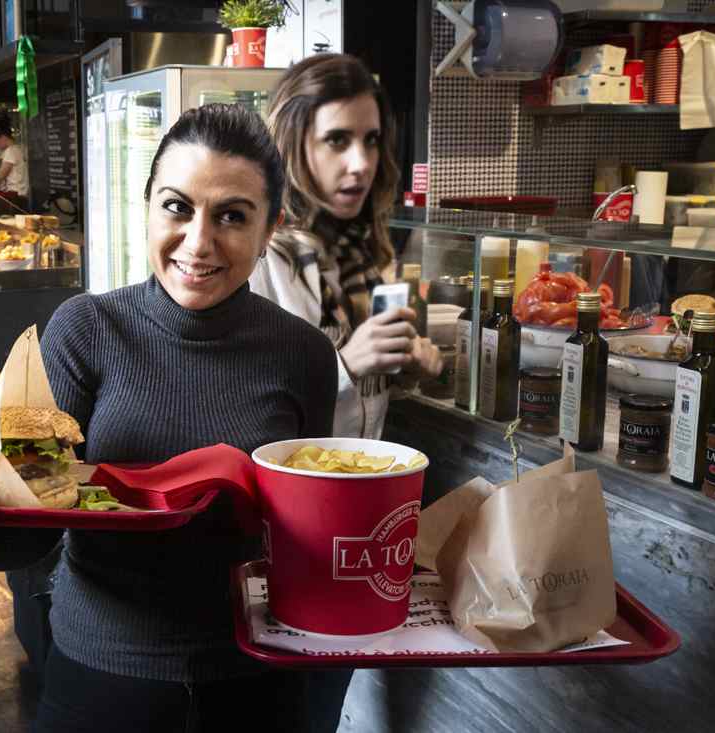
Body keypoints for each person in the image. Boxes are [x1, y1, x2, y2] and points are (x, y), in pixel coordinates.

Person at [0, 104, 342, 732]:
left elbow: (297, 528)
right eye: (177, 207)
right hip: (102, 678)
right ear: (147, 206)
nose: (199, 242)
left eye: (232, 216)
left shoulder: (305, 353)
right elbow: (33, 517)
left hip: (258, 680)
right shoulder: (86, 331)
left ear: (269, 229)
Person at [248, 53, 444, 733]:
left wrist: (406, 357)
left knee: (325, 693)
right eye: (336, 140)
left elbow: (366, 364)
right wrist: (343, 361)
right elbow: (252, 386)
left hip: (358, 507)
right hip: (290, 514)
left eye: (369, 140)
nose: (358, 162)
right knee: (287, 698)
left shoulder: (365, 245)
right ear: (294, 143)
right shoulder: (264, 247)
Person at [0, 118, 28, 212]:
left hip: (15, 198)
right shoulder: (19, 148)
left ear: (3, 136)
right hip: (20, 197)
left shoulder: (11, 151)